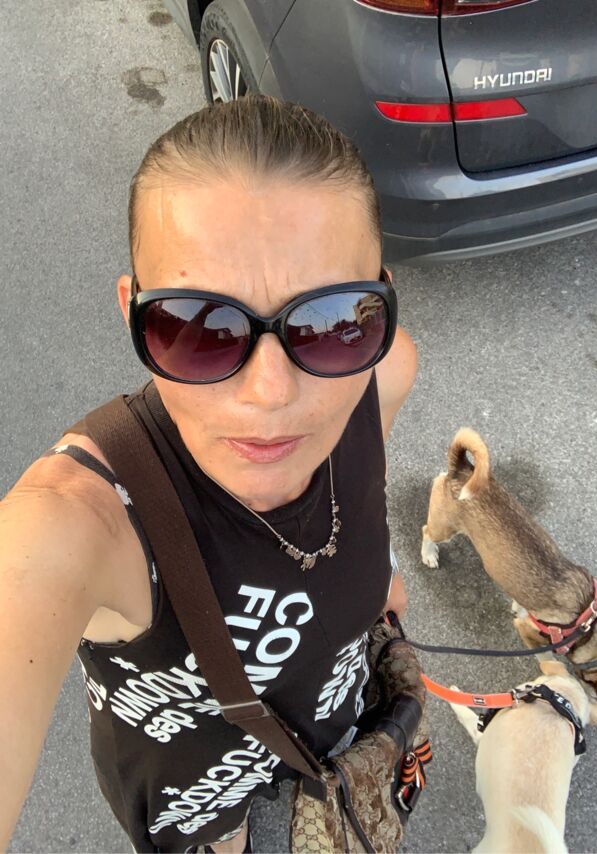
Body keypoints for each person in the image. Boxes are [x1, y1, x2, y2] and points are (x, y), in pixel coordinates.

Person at [0, 95, 417, 853]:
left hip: (330, 731)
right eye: (199, 327)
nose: (271, 393)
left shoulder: (381, 375)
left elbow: (362, 494)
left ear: (379, 310)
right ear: (132, 313)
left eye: (328, 323)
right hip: (197, 798)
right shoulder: (78, 522)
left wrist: (376, 576)